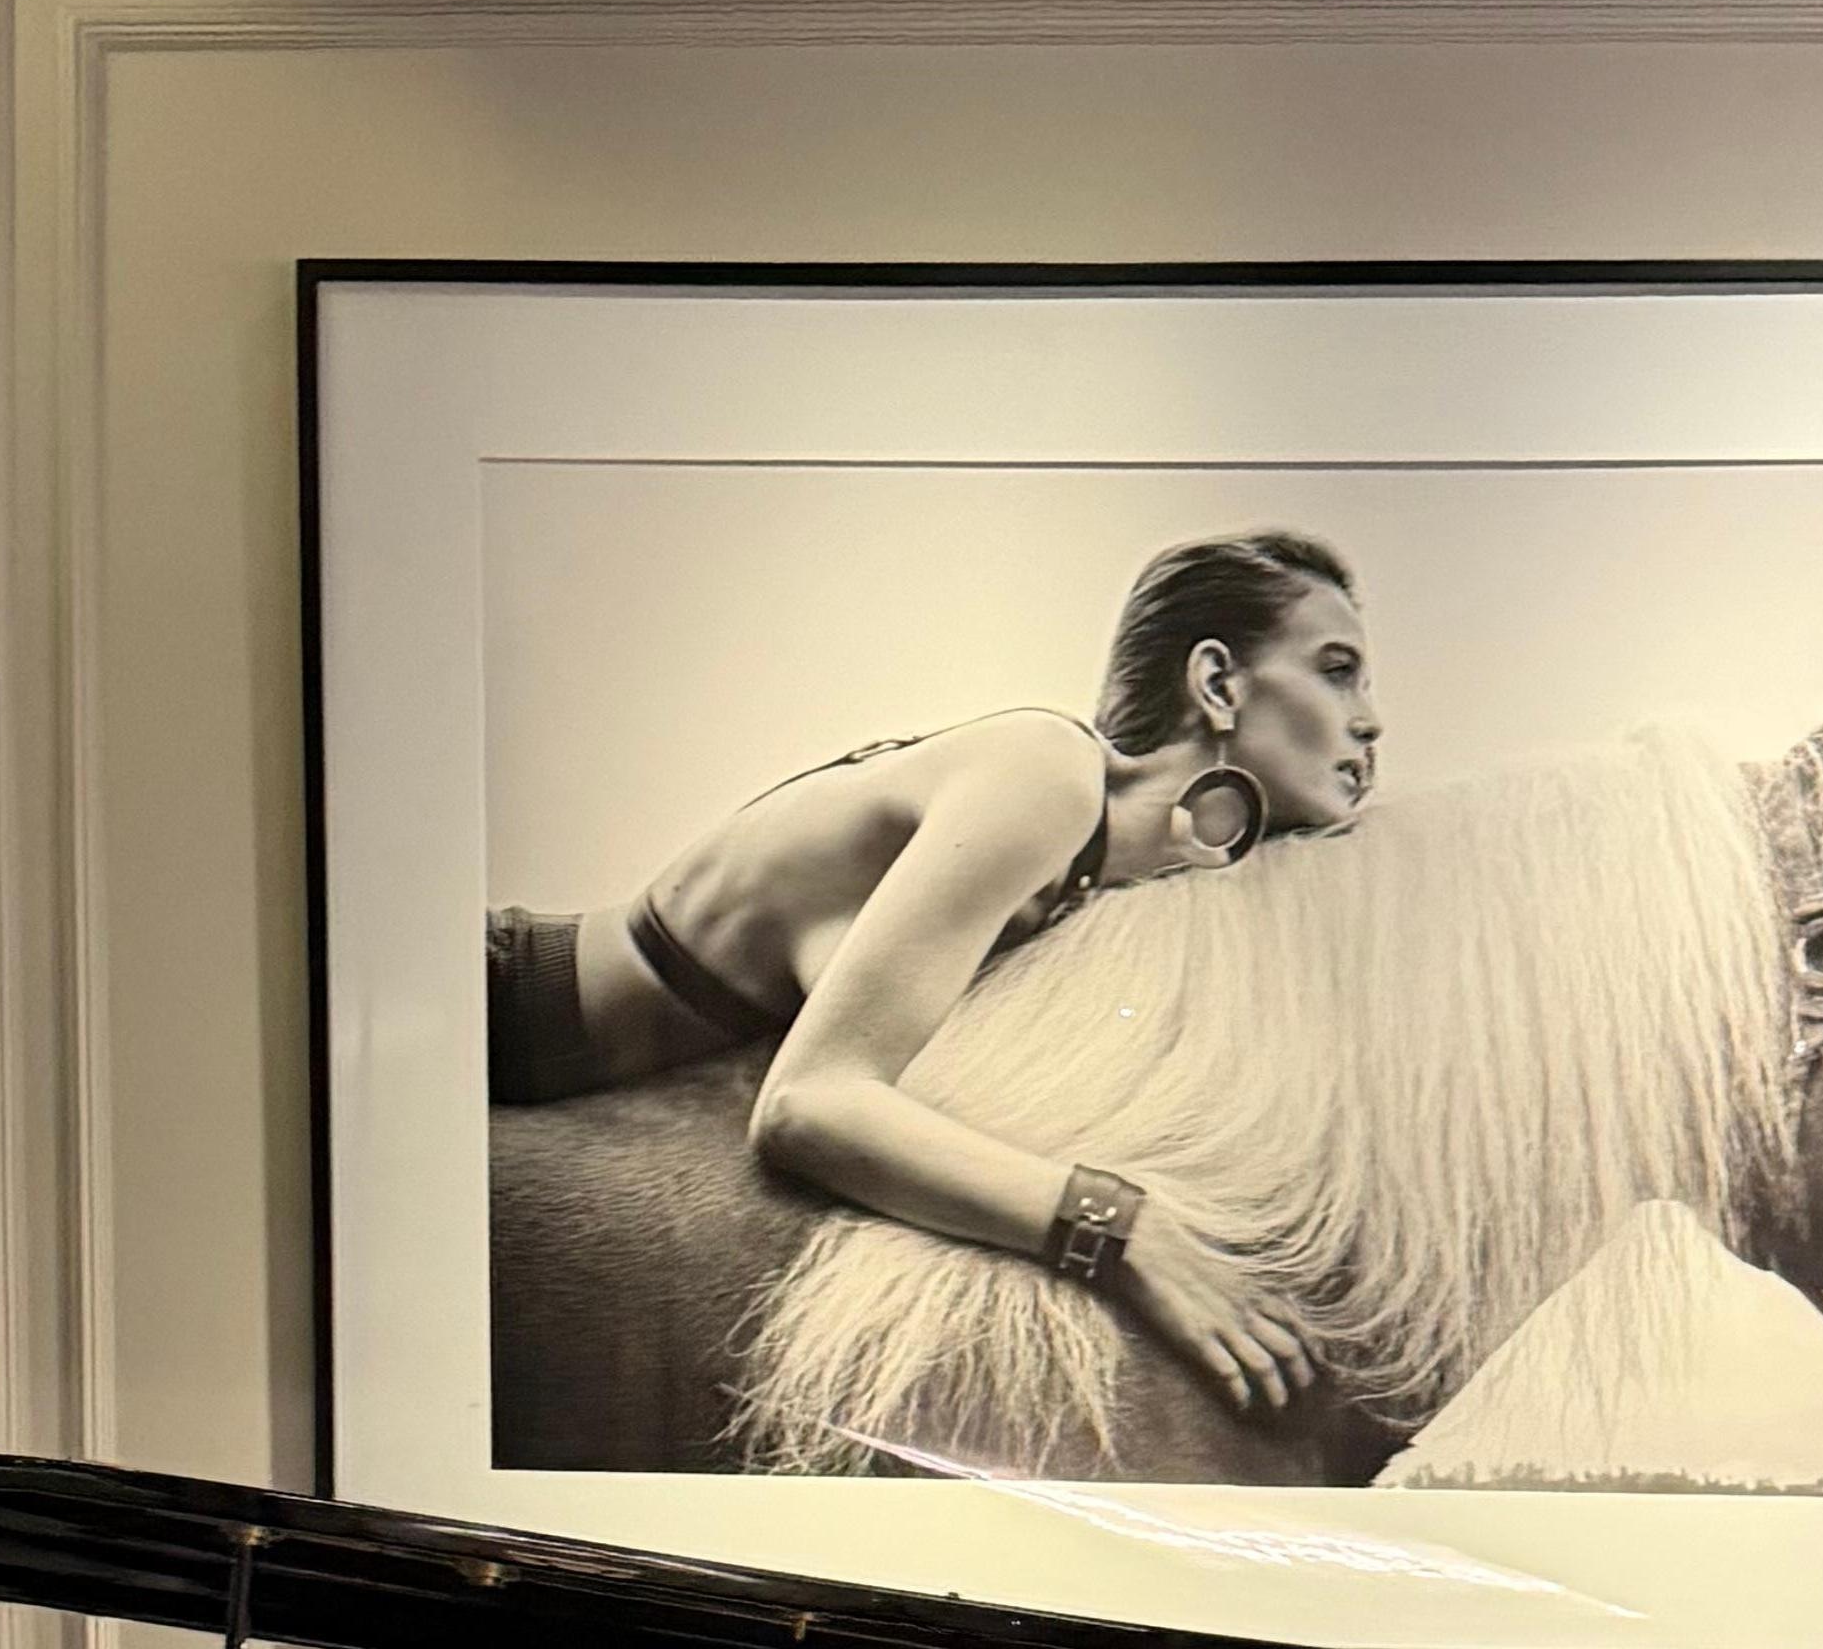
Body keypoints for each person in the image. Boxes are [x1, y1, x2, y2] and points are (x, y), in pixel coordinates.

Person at [485, 530, 1380, 1420]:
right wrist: (1126, 1231)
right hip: (496, 1004)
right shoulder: (1047, 772)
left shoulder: (1114, 893)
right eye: (1338, 671)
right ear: (1218, 683)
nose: (1370, 721)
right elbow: (810, 1106)